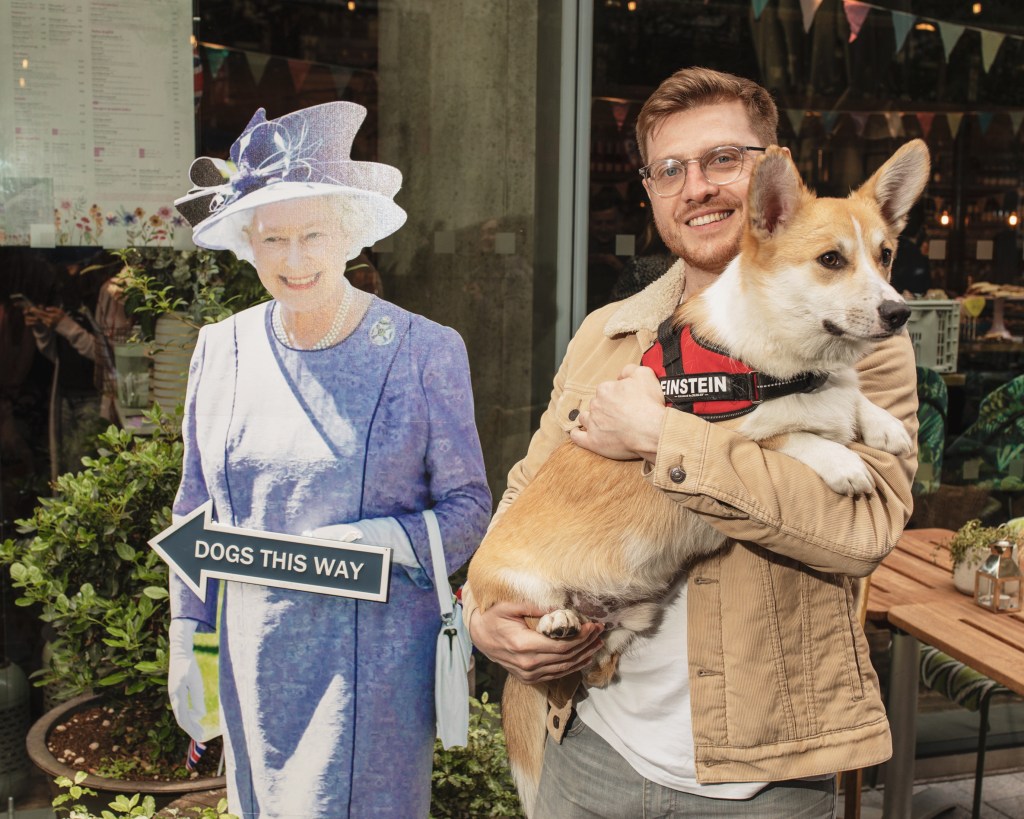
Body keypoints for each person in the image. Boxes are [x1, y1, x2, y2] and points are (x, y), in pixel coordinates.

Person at [465, 67, 917, 816]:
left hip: (760, 775)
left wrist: (663, 439)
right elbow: (527, 490)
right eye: (670, 169)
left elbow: (860, 532)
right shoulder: (604, 333)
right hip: (592, 741)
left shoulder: (860, 346)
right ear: (649, 192)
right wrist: (485, 620)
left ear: (775, 182)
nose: (696, 186)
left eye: (723, 159)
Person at [167, 102, 491, 818]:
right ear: (247, 244)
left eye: (313, 233)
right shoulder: (221, 349)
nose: (293, 258)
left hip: (372, 671)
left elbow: (471, 508)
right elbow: (196, 507)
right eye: (272, 236)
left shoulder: (424, 351)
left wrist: (384, 539)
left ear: (349, 234)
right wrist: (186, 630)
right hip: (254, 659)